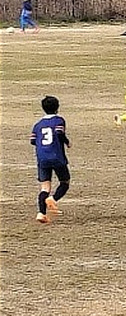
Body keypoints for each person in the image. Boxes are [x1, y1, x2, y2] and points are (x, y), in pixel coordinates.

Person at [30, 95, 70, 223]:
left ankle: (41, 213)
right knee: (65, 182)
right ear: (57, 107)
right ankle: (53, 199)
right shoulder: (59, 120)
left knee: (45, 187)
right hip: (56, 156)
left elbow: (32, 141)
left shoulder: (38, 124)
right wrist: (67, 142)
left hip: (42, 158)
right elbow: (59, 133)